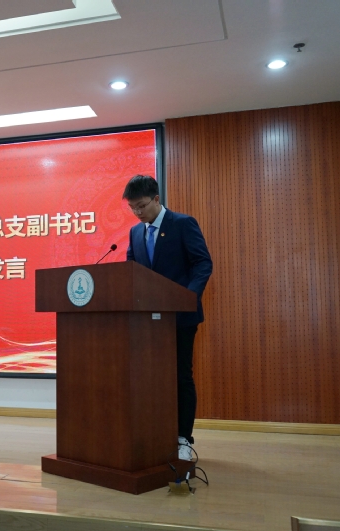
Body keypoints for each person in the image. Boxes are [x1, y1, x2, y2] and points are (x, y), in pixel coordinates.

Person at [123, 175, 212, 461]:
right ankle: (156, 433)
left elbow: (203, 263)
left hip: (180, 318)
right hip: (147, 321)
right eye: (132, 208)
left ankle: (183, 438)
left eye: (141, 206)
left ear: (157, 199)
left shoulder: (182, 223)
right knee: (151, 377)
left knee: (180, 376)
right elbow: (131, 270)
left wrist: (187, 297)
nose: (137, 212)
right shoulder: (135, 232)